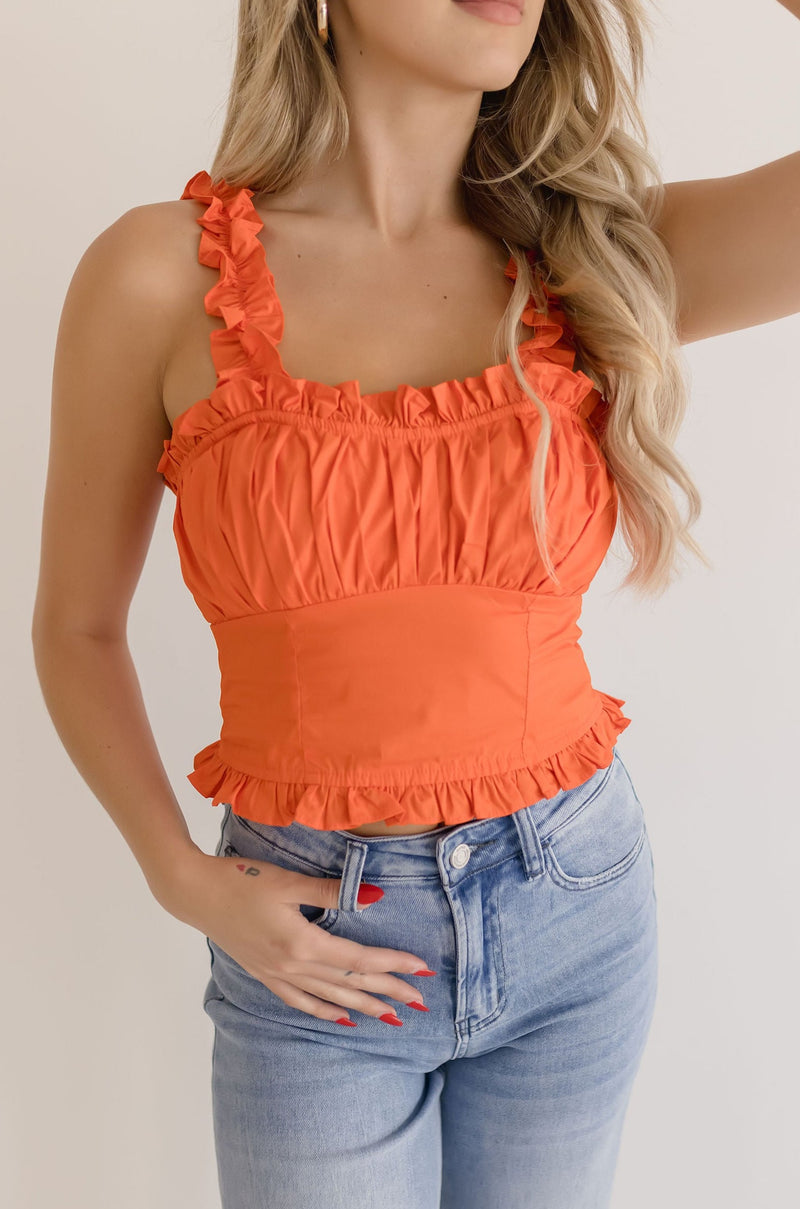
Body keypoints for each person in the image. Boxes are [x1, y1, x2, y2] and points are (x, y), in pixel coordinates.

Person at [31, 1, 800, 1206]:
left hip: (572, 904)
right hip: (311, 941)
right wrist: (174, 872)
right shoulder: (158, 275)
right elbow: (75, 627)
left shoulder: (596, 256)